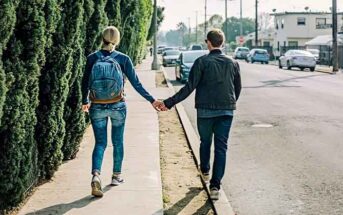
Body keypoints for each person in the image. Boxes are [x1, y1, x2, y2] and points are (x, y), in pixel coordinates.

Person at [81, 26, 163, 197]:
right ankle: (116, 176)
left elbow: (84, 82)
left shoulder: (91, 58)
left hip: (97, 106)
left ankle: (96, 175)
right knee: (118, 142)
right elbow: (136, 84)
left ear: (102, 38)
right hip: (118, 105)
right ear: (117, 40)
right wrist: (152, 100)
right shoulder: (123, 59)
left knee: (100, 143)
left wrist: (85, 101)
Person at [161, 29, 242, 200]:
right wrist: (229, 104)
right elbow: (237, 88)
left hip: (205, 112)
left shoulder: (201, 62)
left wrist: (168, 103)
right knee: (221, 148)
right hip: (226, 112)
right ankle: (215, 187)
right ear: (223, 42)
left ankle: (205, 170)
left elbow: (189, 87)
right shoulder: (233, 63)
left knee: (205, 142)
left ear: (208, 42)